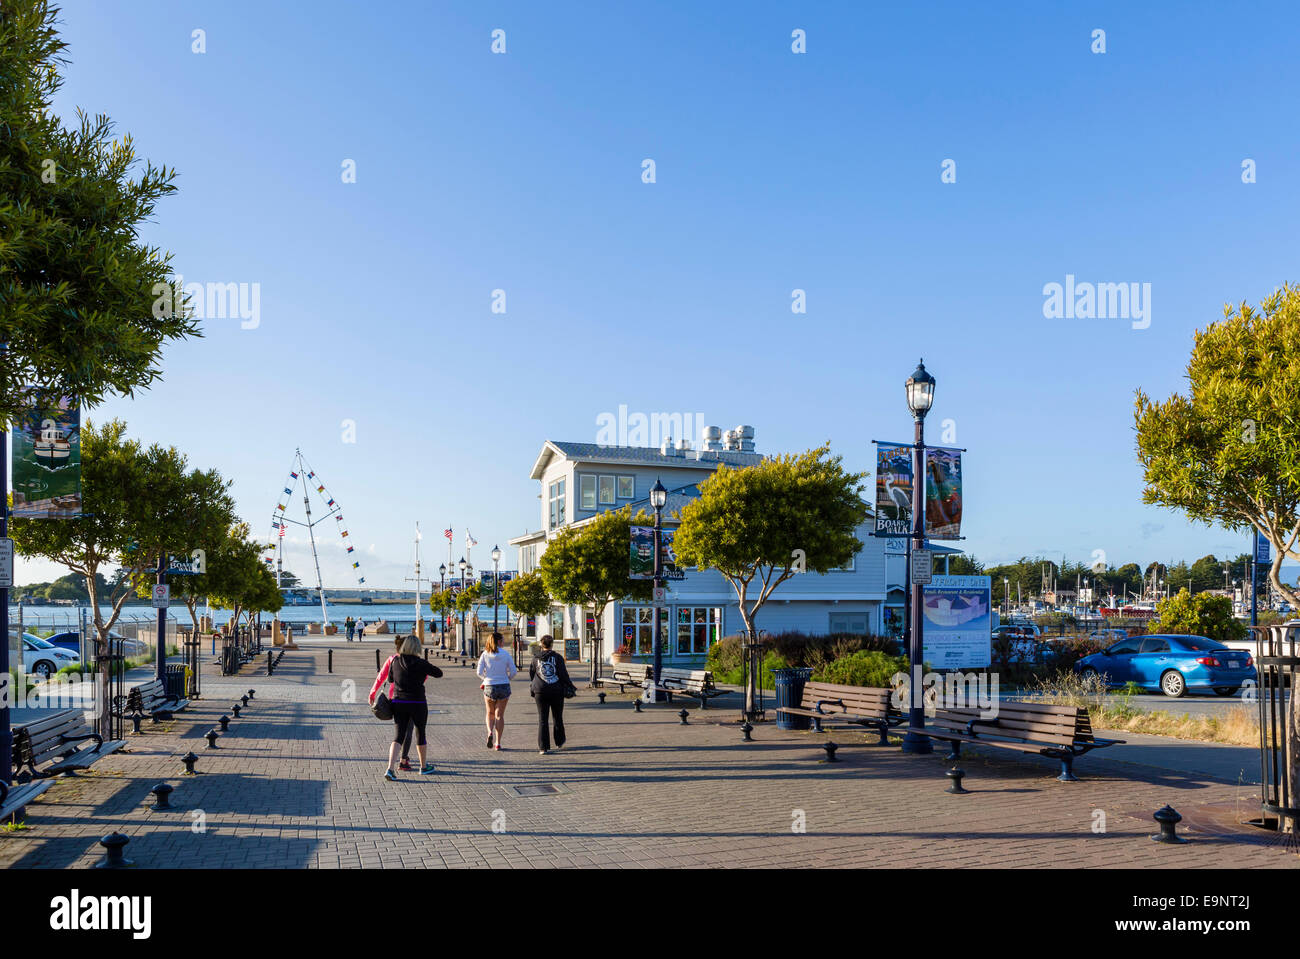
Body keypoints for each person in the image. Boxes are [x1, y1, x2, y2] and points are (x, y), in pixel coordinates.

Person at [369, 634, 443, 780]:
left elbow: (390, 679)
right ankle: (423, 767)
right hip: (418, 703)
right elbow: (438, 673)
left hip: (398, 702)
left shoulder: (395, 661)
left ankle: (390, 769)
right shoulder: (421, 663)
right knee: (420, 733)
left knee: (398, 736)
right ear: (417, 647)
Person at [529, 634, 572, 755]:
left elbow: (532, 674)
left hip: (540, 691)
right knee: (557, 717)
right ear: (552, 644)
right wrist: (570, 686)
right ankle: (559, 741)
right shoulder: (557, 658)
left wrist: (534, 686)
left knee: (542, 719)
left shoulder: (535, 658)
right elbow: (563, 674)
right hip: (556, 690)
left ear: (541, 645)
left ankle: (543, 747)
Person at [476, 631, 517, 750]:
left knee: (490, 713)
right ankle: (498, 743)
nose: (504, 642)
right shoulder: (506, 654)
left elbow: (478, 672)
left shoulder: (485, 654)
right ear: (499, 642)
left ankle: (490, 732)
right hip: (503, 685)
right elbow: (513, 671)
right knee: (499, 715)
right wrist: (507, 678)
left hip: (489, 686)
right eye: (503, 640)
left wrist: (485, 679)